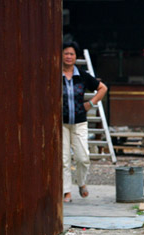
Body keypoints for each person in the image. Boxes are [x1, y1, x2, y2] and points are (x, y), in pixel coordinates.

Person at [62, 41, 107, 203]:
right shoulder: (54, 75)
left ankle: (81, 183)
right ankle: (66, 191)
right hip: (61, 123)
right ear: (60, 55)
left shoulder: (81, 75)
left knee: (83, 157)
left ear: (76, 57)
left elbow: (102, 88)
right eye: (66, 53)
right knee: (64, 159)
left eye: (71, 54)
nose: (68, 56)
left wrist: (91, 103)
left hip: (80, 122)